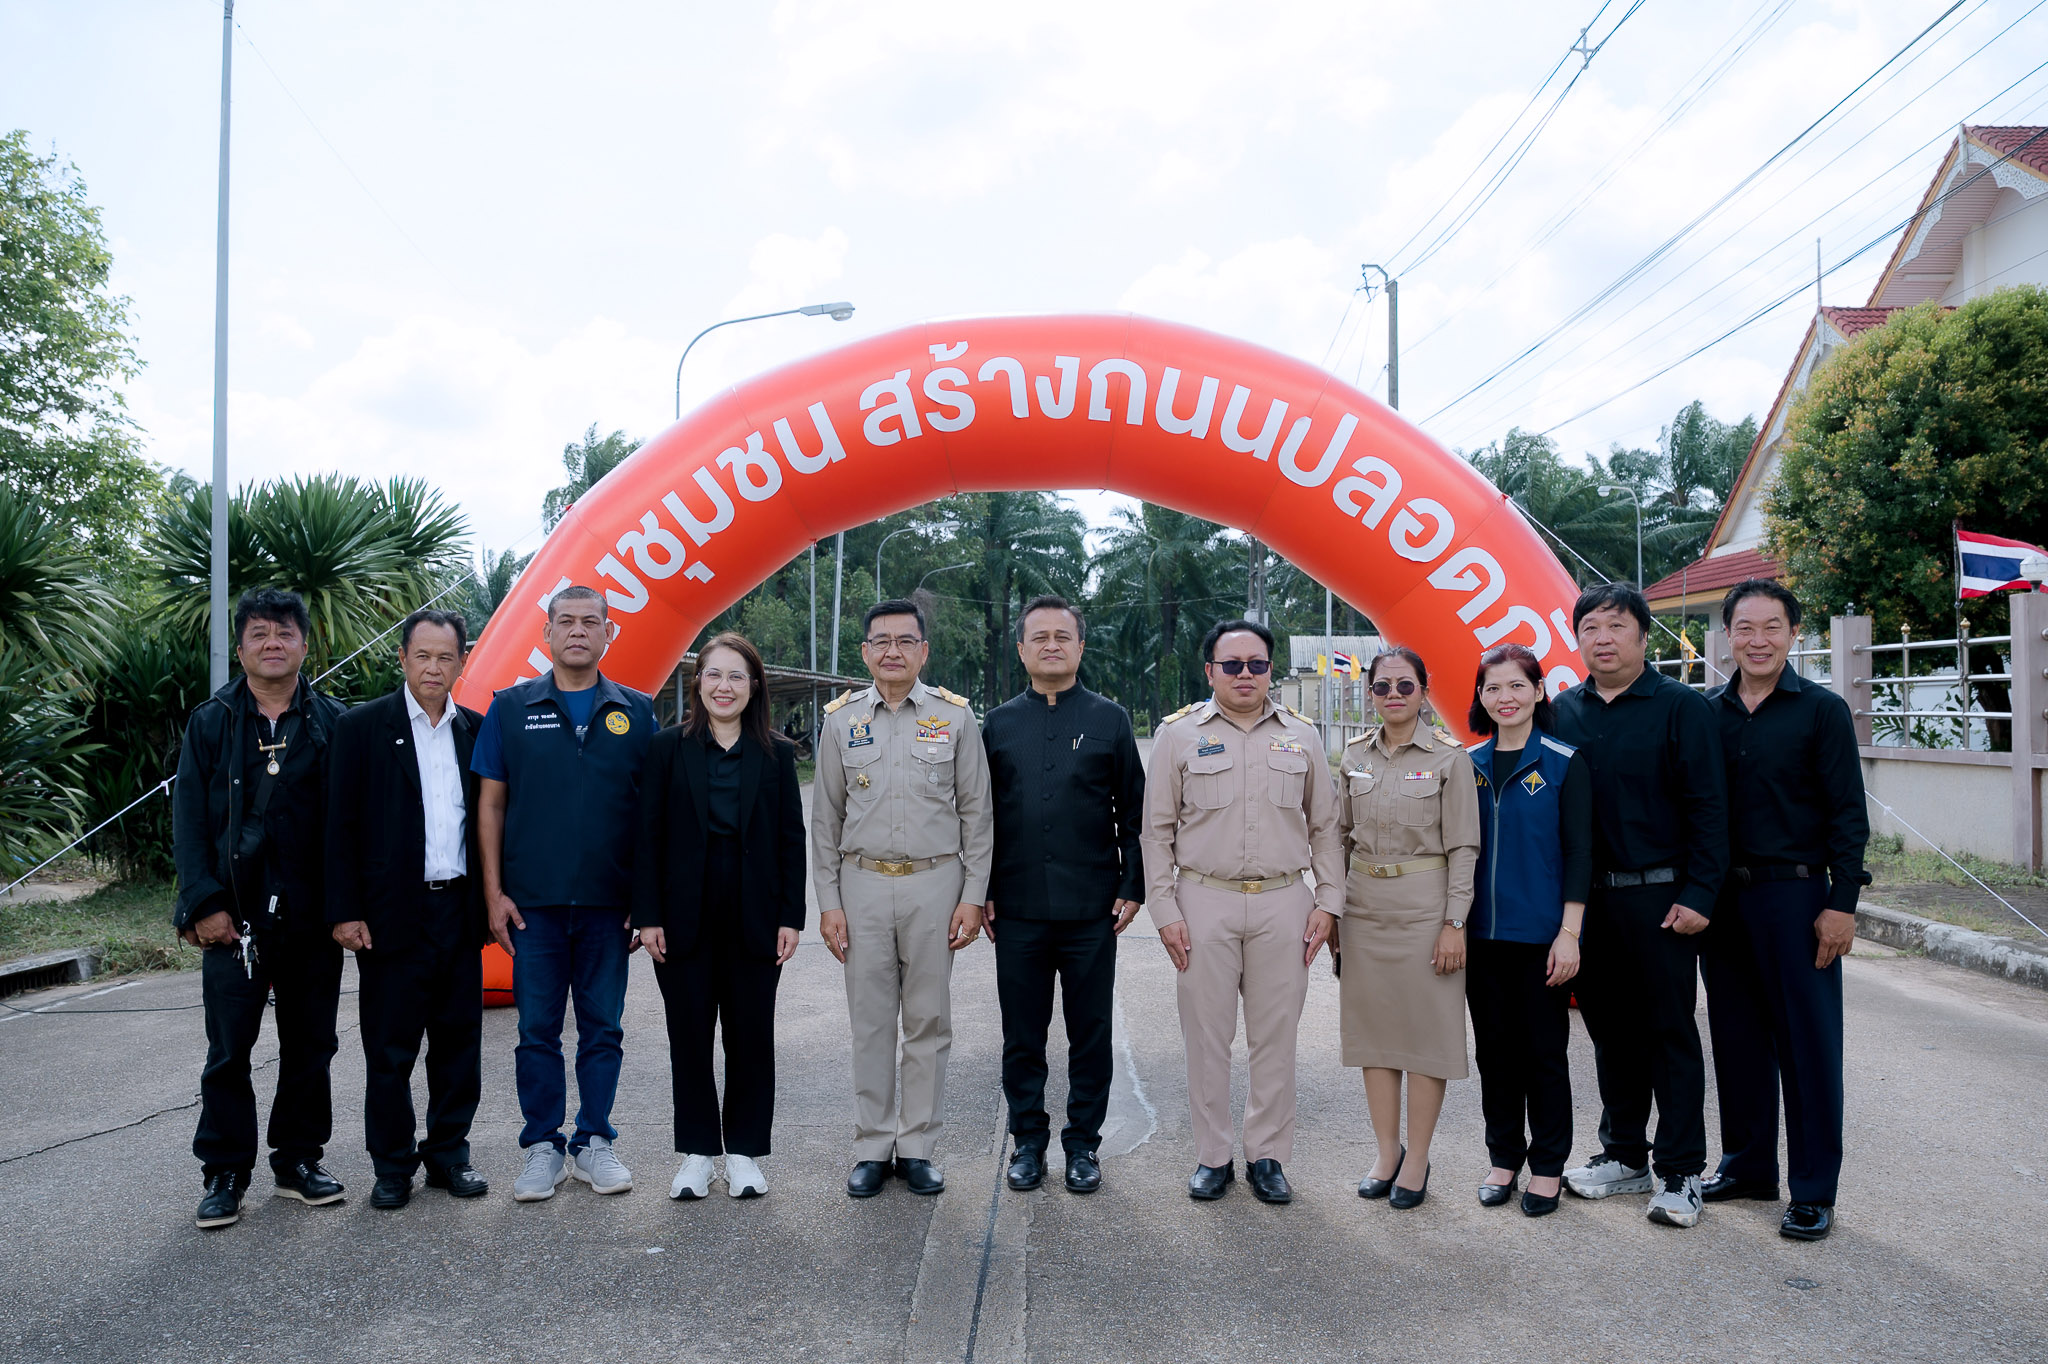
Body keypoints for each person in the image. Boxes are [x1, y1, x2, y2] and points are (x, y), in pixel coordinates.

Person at [1141, 618, 1341, 1205]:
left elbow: (1326, 827)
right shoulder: (1178, 735)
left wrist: (1329, 902)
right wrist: (1164, 909)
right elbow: (1155, 832)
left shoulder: (1302, 735)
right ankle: (1213, 1156)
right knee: (1207, 1038)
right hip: (1204, 899)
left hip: (1284, 899)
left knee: (1275, 1038)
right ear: (1211, 671)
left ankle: (1268, 1156)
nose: (1245, 674)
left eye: (1257, 664)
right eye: (1232, 665)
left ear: (1270, 670)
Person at [172, 588, 349, 1229]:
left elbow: (350, 825)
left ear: (305, 643)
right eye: (259, 633)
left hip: (311, 917)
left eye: (284, 632)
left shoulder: (333, 722)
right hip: (233, 918)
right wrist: (203, 904)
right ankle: (224, 1171)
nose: (273, 643)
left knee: (311, 1044)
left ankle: (298, 1160)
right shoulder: (212, 721)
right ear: (241, 647)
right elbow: (189, 821)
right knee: (229, 1050)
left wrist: (345, 907)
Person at [1553, 583, 1728, 1229]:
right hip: (1588, 902)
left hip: (1662, 900)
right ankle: (1625, 1154)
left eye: (1617, 626)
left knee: (1669, 1033)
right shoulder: (1562, 711)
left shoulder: (1682, 707)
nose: (1603, 638)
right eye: (1590, 628)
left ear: (1644, 636)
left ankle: (1681, 1170)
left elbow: (1711, 807)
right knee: (1610, 1034)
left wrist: (1700, 893)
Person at [473, 584, 656, 1202]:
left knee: (603, 1029)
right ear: (546, 633)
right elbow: (491, 805)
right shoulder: (510, 708)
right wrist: (493, 893)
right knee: (537, 1032)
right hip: (533, 907)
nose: (578, 631)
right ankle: (543, 1147)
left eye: (590, 622)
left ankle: (594, 1141)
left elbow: (653, 815)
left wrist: (645, 897)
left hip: (610, 906)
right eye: (566, 621)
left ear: (609, 633)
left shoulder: (637, 712)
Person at [1701, 579, 1868, 1242]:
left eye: (1772, 627)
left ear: (1794, 634)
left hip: (1797, 899)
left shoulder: (1821, 711)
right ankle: (1747, 1167)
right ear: (1728, 636)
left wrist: (1841, 904)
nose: (1758, 640)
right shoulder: (1707, 713)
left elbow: (1848, 814)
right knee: (1737, 1040)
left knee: (1808, 1047)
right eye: (1745, 628)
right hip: (1723, 902)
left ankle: (1813, 1190)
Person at [811, 599, 993, 1198]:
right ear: (865, 652)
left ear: (923, 651)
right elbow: (825, 821)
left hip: (935, 884)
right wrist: (829, 902)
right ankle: (871, 1146)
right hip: (861, 883)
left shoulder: (954, 718)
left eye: (905, 641)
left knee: (928, 1021)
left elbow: (977, 814)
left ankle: (916, 1148)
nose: (893, 651)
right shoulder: (841, 721)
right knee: (870, 1022)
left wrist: (972, 895)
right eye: (881, 641)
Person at [325, 608, 491, 1210]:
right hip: (391, 914)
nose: (433, 668)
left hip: (457, 910)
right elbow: (338, 827)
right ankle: (392, 1165)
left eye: (446, 657)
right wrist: (344, 911)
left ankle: (449, 1155)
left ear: (462, 662)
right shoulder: (362, 727)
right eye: (422, 656)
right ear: (402, 658)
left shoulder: (475, 730)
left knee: (458, 1043)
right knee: (390, 1048)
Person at [981, 595, 1145, 1196]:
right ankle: (1027, 1142)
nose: (1051, 645)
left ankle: (1082, 1145)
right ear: (1021, 649)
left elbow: (1135, 812)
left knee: (1090, 1033)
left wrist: (1133, 884)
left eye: (1062, 636)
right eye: (1039, 637)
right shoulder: (998, 724)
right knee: (1022, 1035)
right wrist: (983, 890)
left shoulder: (1110, 720)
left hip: (1090, 908)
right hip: (1017, 906)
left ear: (1080, 646)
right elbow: (980, 817)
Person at [633, 632, 805, 1201]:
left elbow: (790, 839)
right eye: (714, 674)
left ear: (753, 686)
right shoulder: (666, 748)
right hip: (683, 918)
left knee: (751, 1036)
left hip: (756, 917)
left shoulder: (777, 753)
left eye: (736, 676)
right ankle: (698, 1154)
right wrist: (647, 915)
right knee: (688, 1036)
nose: (724, 686)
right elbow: (647, 836)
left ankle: (746, 1154)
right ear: (697, 683)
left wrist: (791, 916)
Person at [1335, 646, 1480, 1213]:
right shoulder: (1353, 756)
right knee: (1375, 1037)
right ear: (1370, 693)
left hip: (1426, 909)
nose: (1393, 695)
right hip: (1364, 907)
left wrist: (1454, 922)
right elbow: (1338, 838)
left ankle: (1417, 1157)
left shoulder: (1449, 758)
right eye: (1382, 686)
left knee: (1424, 1038)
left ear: (1424, 689)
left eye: (1404, 685)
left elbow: (1464, 847)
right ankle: (1386, 1152)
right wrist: (1333, 911)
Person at [1463, 643, 1591, 1218]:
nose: (1505, 697)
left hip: (1542, 938)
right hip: (1481, 938)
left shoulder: (1563, 762)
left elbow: (1580, 853)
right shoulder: (1467, 765)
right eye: (1493, 688)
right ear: (1481, 698)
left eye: (1517, 685)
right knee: (1494, 1053)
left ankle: (1548, 1166)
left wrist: (1570, 933)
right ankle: (1503, 1158)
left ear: (1539, 691)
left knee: (1543, 1053)